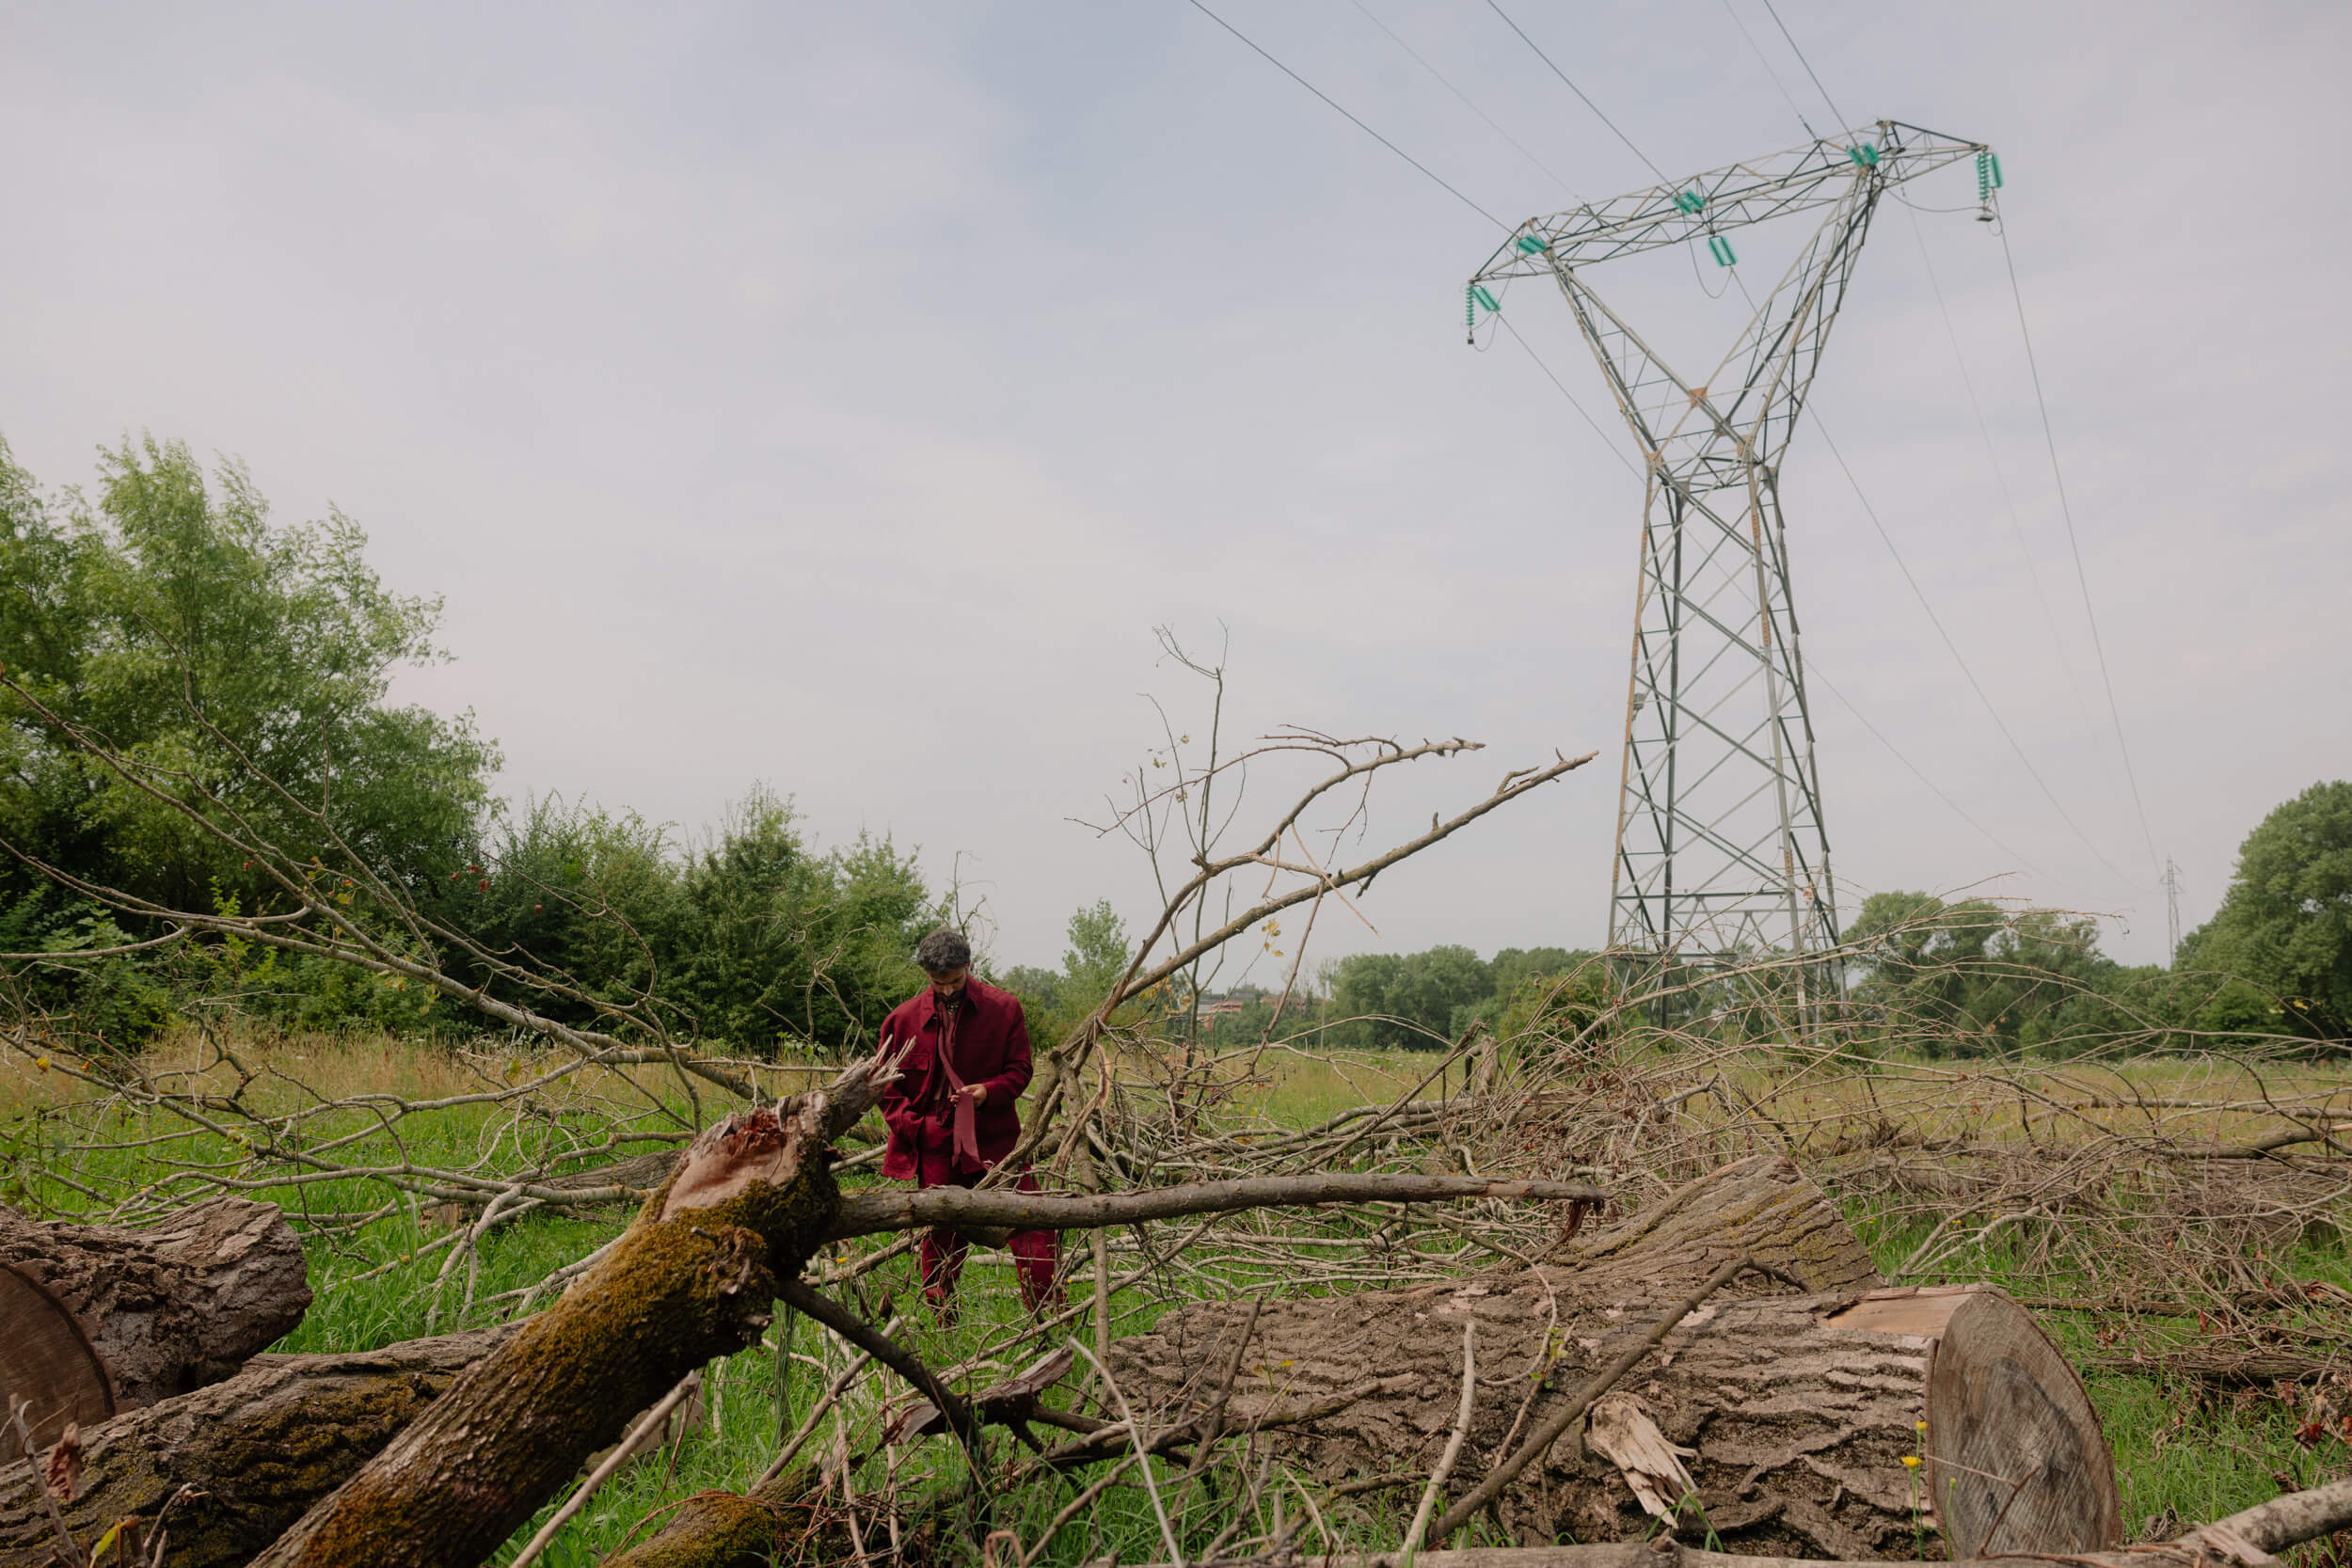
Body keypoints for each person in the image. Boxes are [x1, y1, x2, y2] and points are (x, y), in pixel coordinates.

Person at [876, 927, 1061, 1317]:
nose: (946, 991)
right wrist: (918, 1129)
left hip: (998, 1145)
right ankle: (945, 1328)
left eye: (955, 981)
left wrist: (987, 1092)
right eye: (937, 983)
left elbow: (1021, 1070)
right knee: (938, 1245)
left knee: (1035, 1232)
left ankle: (1052, 1322)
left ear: (969, 967)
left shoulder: (1005, 1009)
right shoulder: (901, 1021)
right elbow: (886, 1092)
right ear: (926, 975)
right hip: (936, 1151)